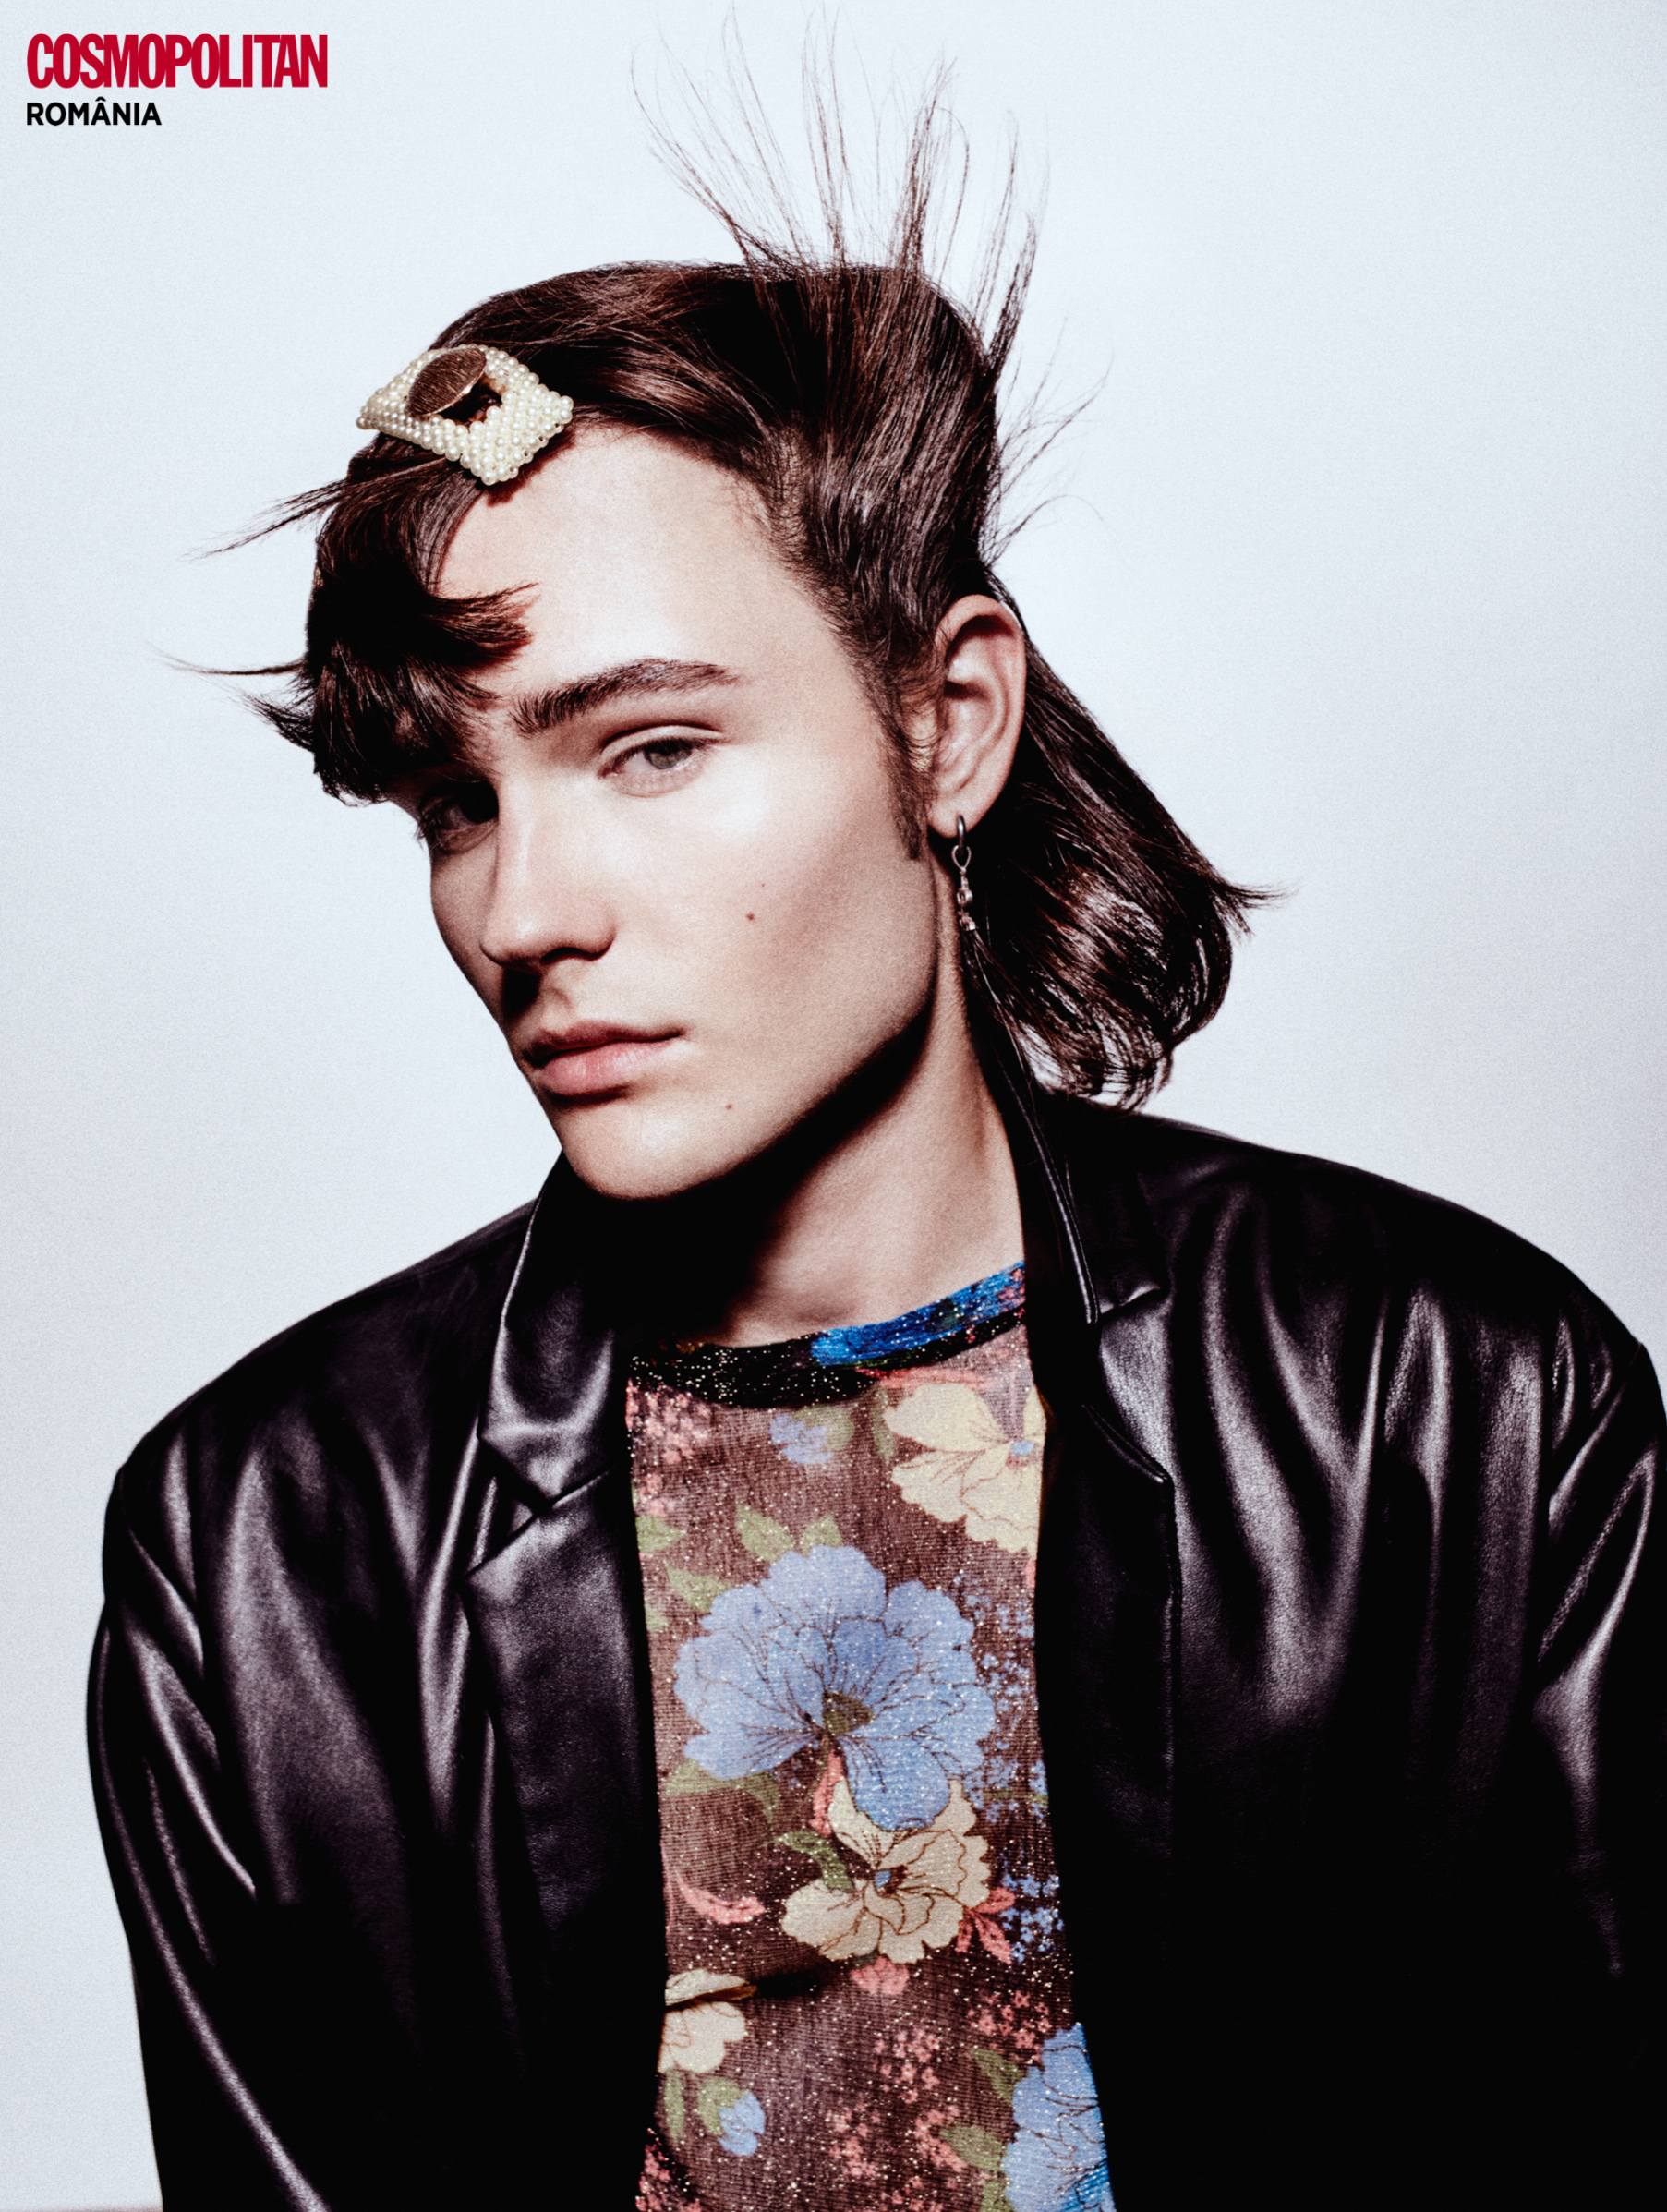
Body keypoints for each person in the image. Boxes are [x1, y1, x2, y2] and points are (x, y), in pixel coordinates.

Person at [89, 88, 1662, 2212]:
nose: (523, 907)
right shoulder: (268, 1552)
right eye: (459, 802)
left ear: (948, 722)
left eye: (653, 748)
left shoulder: (1458, 1410)